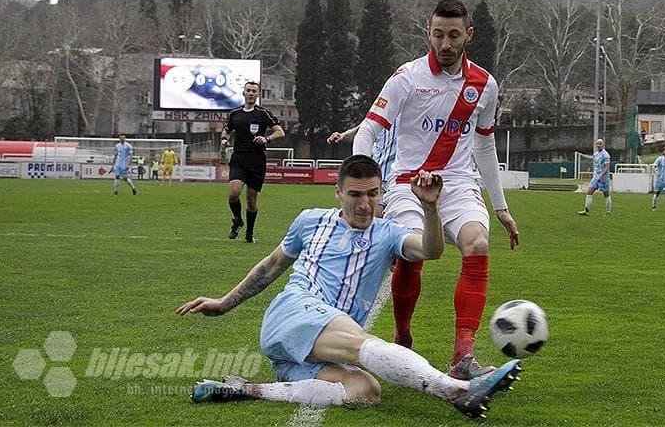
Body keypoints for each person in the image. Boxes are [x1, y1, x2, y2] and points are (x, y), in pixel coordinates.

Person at [176, 155, 521, 418]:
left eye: (372, 194)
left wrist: (431, 209)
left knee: (364, 389)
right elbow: (271, 265)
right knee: (362, 343)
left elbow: (430, 250)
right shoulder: (310, 220)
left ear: (381, 192)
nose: (364, 204)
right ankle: (458, 391)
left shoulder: (387, 233)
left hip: (303, 349)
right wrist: (223, 303)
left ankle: (246, 390)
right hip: (294, 311)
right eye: (355, 194)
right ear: (337, 192)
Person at [352, 0, 520, 379]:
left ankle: (463, 357)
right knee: (414, 250)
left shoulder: (485, 85)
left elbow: (485, 144)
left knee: (477, 244)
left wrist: (501, 206)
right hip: (407, 182)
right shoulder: (406, 78)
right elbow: (368, 130)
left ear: (468, 36)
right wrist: (369, 190)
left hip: (458, 182)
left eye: (454, 35)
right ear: (428, 32)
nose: (445, 44)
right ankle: (403, 333)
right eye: (438, 35)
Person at [221, 81, 284, 243]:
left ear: (257, 95)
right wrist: (223, 139)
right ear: (243, 93)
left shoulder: (263, 113)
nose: (250, 93)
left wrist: (267, 138)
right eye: (248, 90)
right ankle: (237, 220)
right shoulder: (235, 113)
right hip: (238, 158)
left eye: (254, 91)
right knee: (234, 193)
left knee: (251, 199)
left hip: (257, 160)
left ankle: (249, 233)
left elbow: (280, 131)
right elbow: (227, 129)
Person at [329, 117, 399, 217]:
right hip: (376, 176)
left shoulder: (408, 109)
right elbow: (363, 127)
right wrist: (343, 135)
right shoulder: (382, 109)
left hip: (395, 179)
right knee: (369, 218)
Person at [578, 138, 611, 217]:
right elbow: (596, 165)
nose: (599, 145)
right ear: (596, 145)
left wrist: (601, 175)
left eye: (600, 143)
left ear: (603, 145)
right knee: (589, 191)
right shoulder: (595, 154)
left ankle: (608, 212)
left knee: (606, 194)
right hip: (596, 177)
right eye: (598, 144)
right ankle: (586, 210)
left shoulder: (606, 155)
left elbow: (607, 167)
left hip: (603, 178)